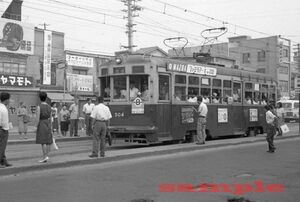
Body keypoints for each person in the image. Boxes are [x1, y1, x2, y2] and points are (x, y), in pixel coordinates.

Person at [36, 92, 53, 163]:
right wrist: (51, 126)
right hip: (48, 123)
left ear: (40, 98)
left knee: (43, 142)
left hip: (42, 123)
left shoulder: (39, 107)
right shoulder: (49, 107)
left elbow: (37, 118)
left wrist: (36, 127)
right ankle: (47, 155)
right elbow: (51, 117)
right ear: (46, 98)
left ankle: (44, 156)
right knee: (48, 141)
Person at [0, 92, 12, 168]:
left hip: (4, 128)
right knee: (1, 147)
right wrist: (5, 128)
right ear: (6, 100)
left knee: (2, 147)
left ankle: (3, 160)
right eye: (9, 99)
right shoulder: (2, 108)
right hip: (2, 129)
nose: (10, 101)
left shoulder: (2, 107)